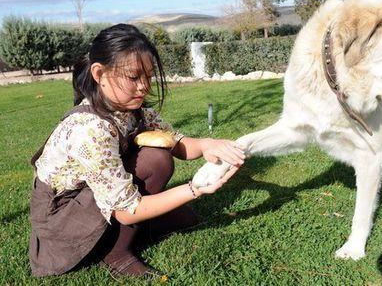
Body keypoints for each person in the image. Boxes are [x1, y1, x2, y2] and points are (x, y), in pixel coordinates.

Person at [29, 24, 245, 278]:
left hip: (97, 197)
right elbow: (125, 210)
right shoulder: (89, 129)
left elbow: (177, 143)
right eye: (133, 77)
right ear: (99, 74)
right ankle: (116, 251)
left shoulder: (133, 108)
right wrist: (194, 189)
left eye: (149, 76)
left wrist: (210, 144)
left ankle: (141, 226)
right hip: (65, 217)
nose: (144, 86)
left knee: (182, 206)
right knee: (156, 160)